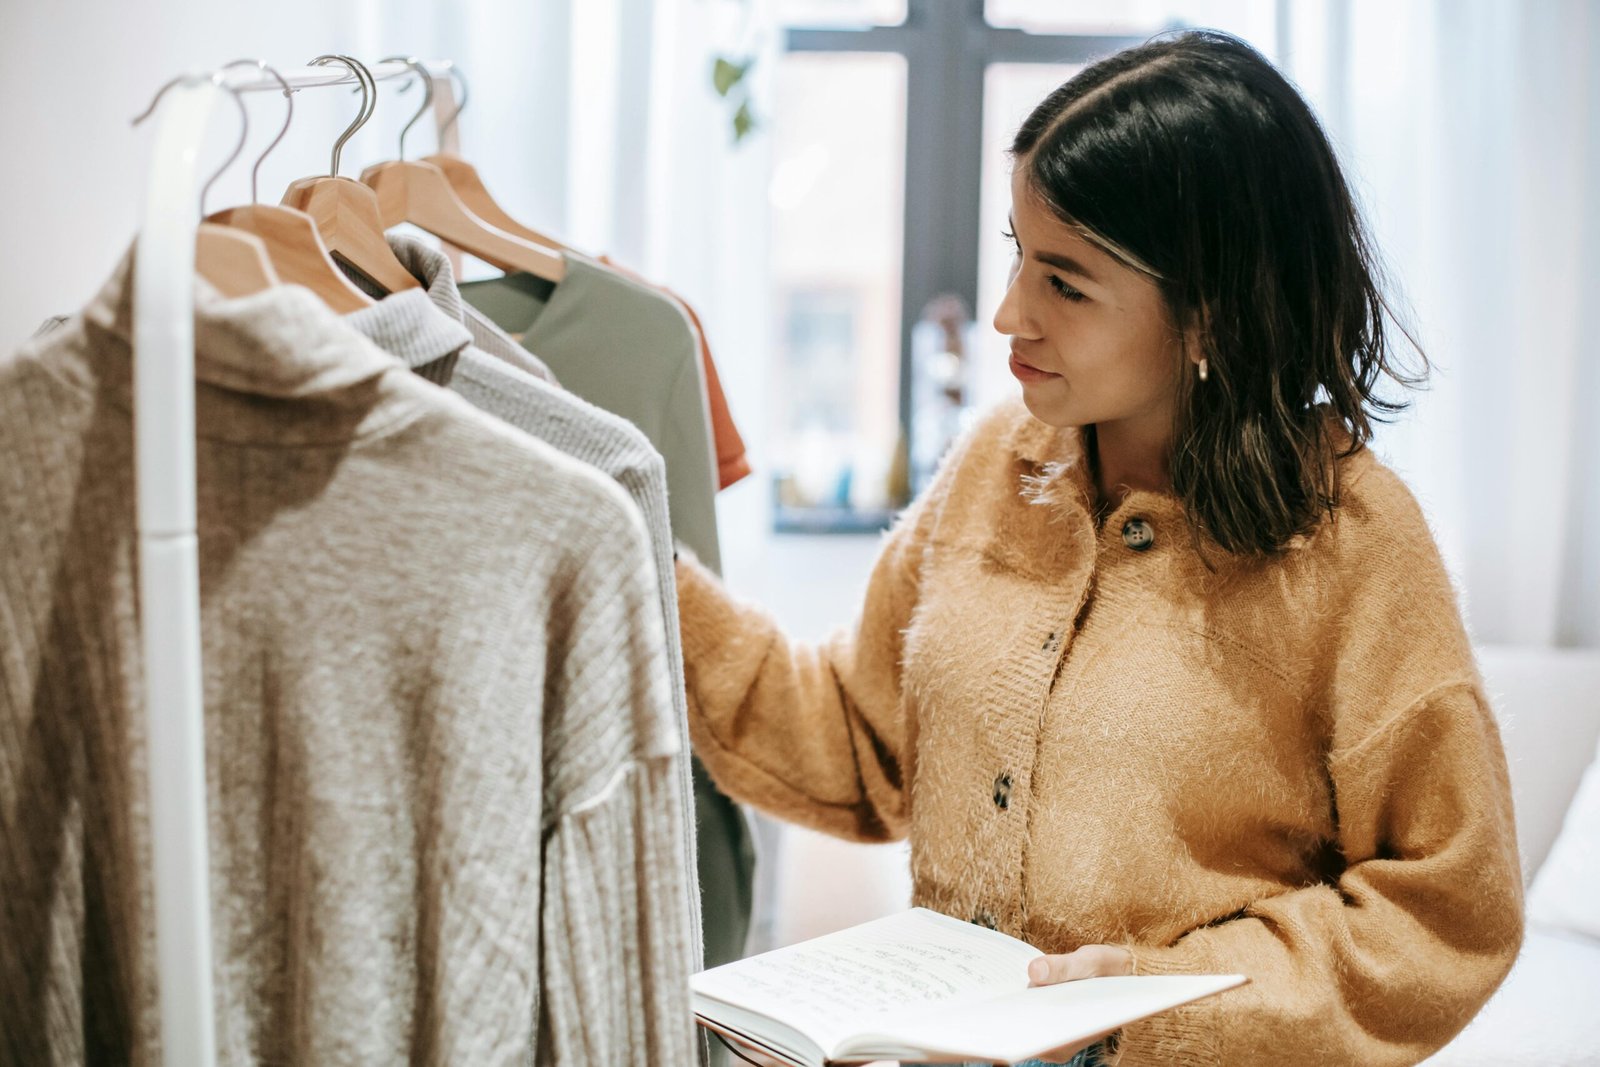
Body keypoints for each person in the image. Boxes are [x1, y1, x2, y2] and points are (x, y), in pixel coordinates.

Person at [676, 29, 1524, 1067]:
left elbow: (1447, 909)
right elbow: (856, 741)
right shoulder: (994, 462)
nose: (1006, 314)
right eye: (1016, 256)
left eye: (1065, 284)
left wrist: (1156, 1008)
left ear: (1209, 308)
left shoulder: (1351, 541)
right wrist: (633, 574)